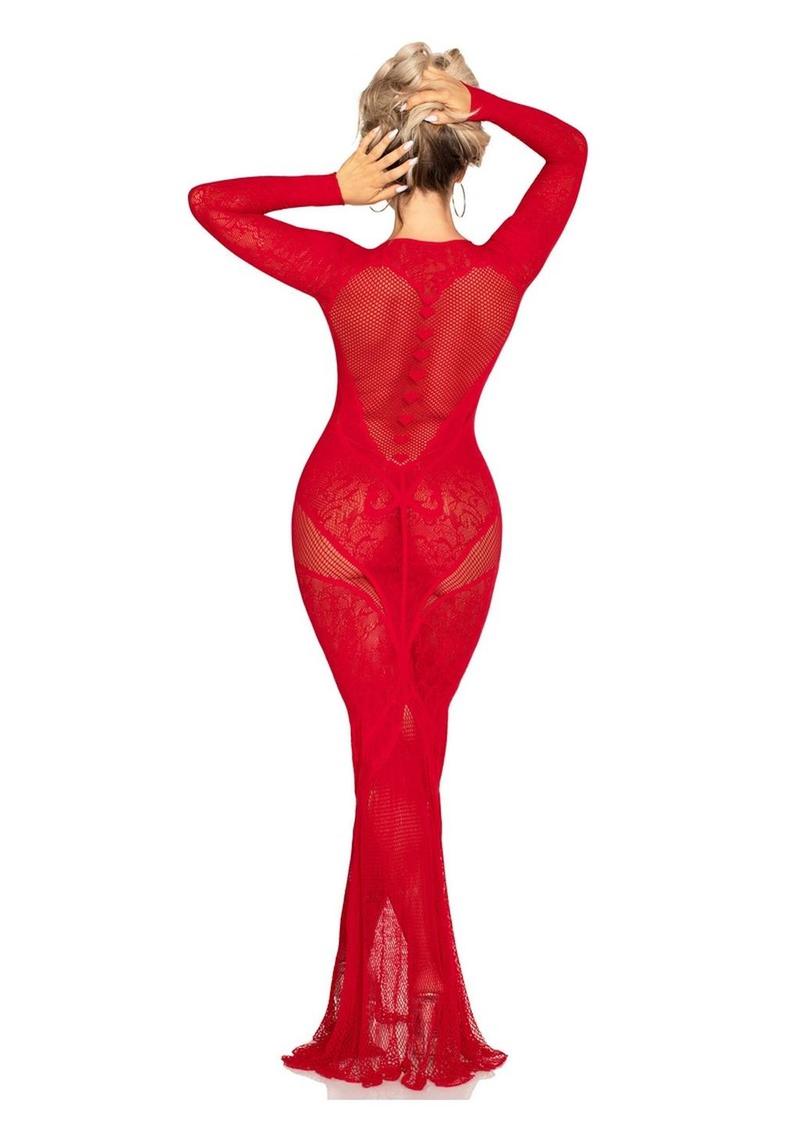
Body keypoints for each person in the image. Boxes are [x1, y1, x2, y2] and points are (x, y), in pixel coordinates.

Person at [188, 43, 588, 1092]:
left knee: (386, 755)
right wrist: (484, 97)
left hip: (344, 518)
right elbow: (572, 152)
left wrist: (333, 188)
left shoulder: (343, 270)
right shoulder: (505, 270)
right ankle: (419, 1014)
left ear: (385, 149)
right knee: (412, 754)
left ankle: (395, 1014)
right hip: (461, 523)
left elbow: (210, 203)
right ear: (467, 150)